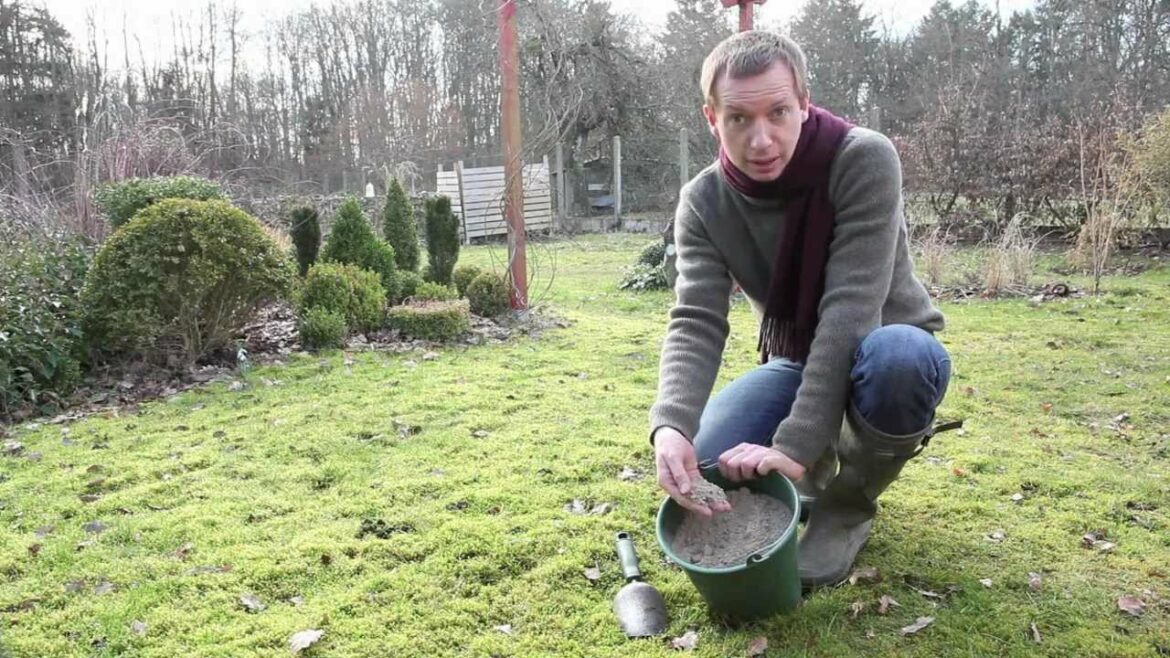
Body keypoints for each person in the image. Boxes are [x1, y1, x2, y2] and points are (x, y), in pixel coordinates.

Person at [649, 30, 954, 588]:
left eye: (779, 112)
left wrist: (792, 444)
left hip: (886, 341)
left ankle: (847, 505)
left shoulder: (863, 158)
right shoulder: (704, 201)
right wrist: (671, 427)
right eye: (739, 118)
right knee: (715, 458)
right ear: (711, 117)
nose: (761, 139)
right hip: (798, 356)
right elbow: (696, 318)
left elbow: (850, 310)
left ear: (804, 103)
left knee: (897, 359)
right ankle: (809, 477)